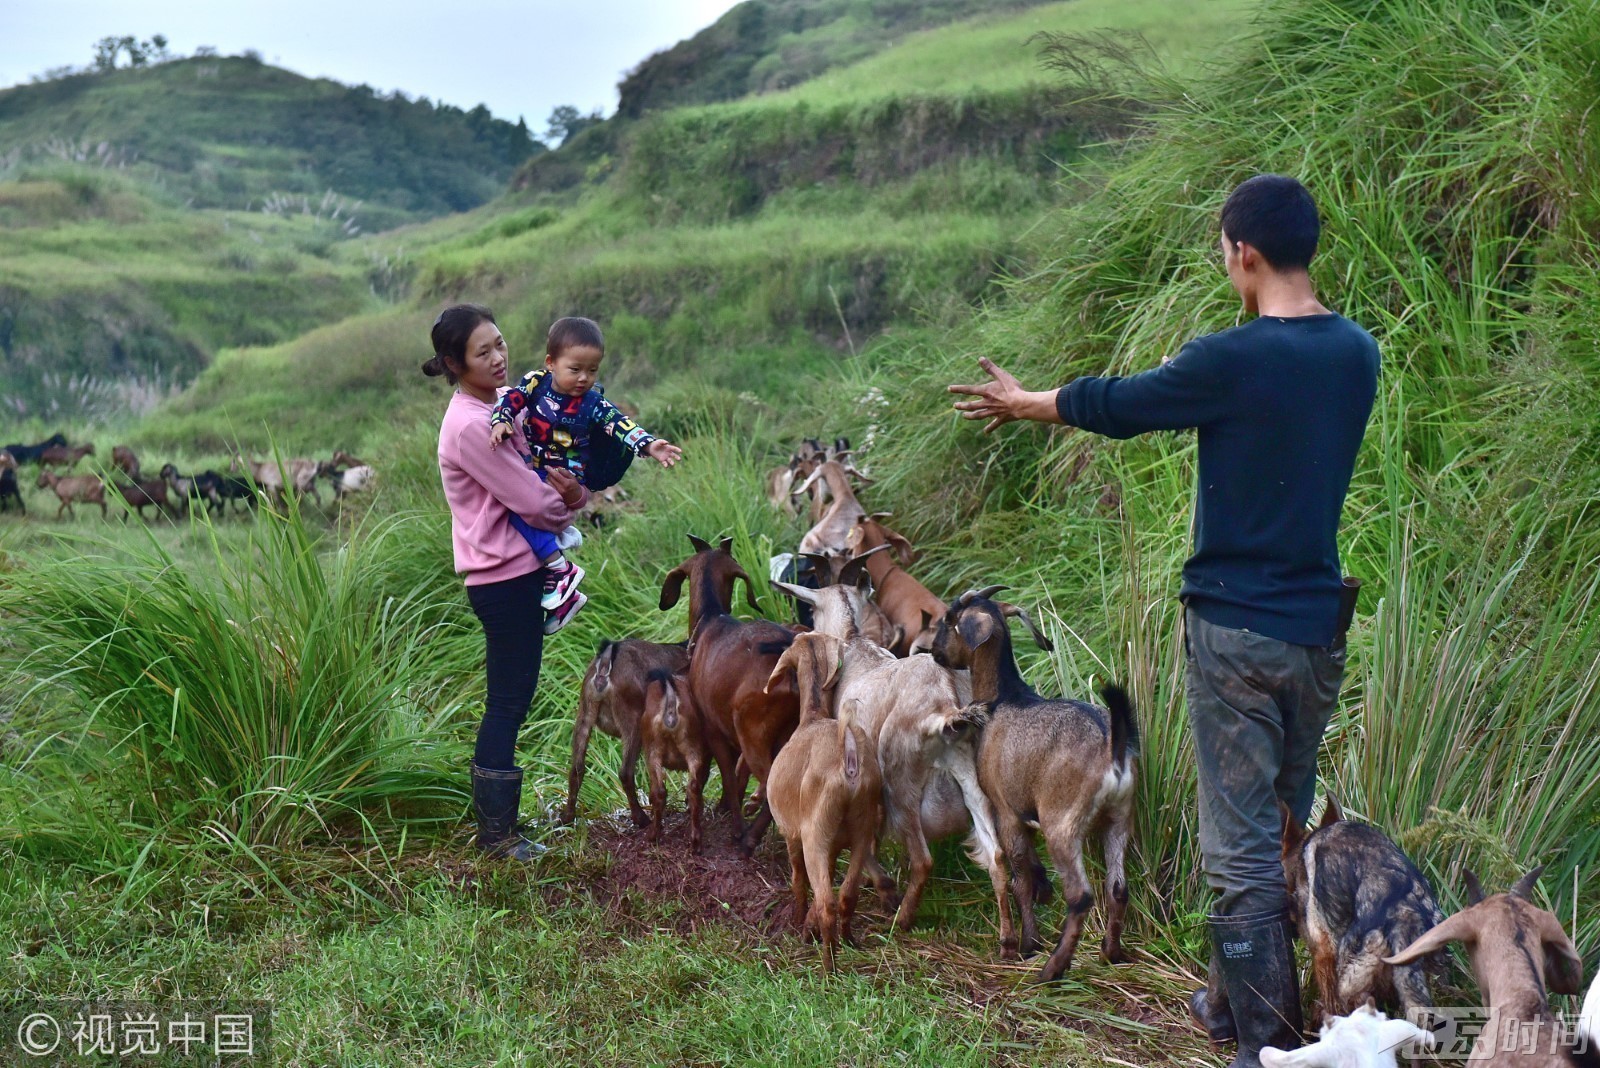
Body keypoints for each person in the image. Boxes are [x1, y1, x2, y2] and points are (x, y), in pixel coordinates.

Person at [949, 174, 1379, 1068]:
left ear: (1244, 254)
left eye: (1225, 251)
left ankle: (1262, 1049)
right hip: (1317, 630)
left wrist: (1028, 402)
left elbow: (1125, 403)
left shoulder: (1231, 359)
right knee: (1282, 816)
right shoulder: (1357, 354)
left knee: (1241, 849)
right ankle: (1228, 1004)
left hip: (1235, 633)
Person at [424, 303, 589, 861]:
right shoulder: (472, 426)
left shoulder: (494, 406)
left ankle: (499, 829)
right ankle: (497, 837)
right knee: (507, 702)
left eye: (499, 344)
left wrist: (571, 489)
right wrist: (571, 499)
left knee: (511, 697)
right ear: (453, 362)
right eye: (482, 351)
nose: (498, 358)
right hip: (503, 577)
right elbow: (536, 502)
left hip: (515, 571)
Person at [488, 316, 683, 632]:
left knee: (514, 509)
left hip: (566, 475)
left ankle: (559, 568)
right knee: (514, 506)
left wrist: (649, 446)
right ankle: (560, 558)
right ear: (551, 363)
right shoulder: (535, 382)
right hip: (536, 467)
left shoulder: (593, 403)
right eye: (575, 369)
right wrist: (501, 420)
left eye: (592, 370)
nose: (584, 378)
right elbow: (512, 399)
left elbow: (620, 424)